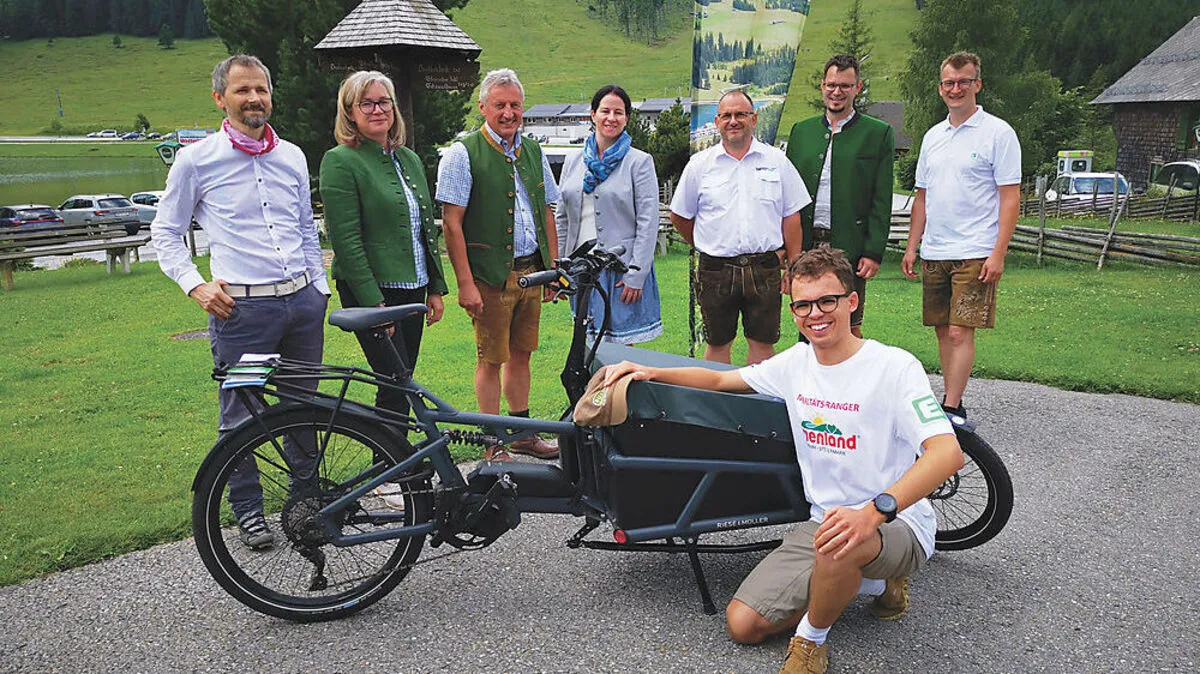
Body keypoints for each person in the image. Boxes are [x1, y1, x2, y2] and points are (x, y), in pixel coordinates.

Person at [602, 245, 964, 674]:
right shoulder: (796, 363)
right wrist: (650, 372)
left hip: (896, 522)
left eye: (827, 301)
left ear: (851, 301)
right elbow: (720, 380)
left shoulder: (894, 368)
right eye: (803, 305)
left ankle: (811, 643)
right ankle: (869, 582)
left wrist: (872, 513)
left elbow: (947, 453)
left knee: (843, 540)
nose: (815, 314)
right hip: (825, 521)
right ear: (793, 311)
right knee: (743, 624)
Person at [151, 54, 330, 550]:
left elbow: (304, 228)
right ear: (220, 99)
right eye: (242, 90)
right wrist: (195, 285)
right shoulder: (197, 161)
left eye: (261, 90)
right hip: (243, 312)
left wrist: (319, 288)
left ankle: (305, 505)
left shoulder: (292, 156)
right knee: (240, 417)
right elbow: (164, 232)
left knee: (303, 409)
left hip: (301, 306)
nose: (254, 99)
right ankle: (249, 512)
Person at [436, 68, 561, 462]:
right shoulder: (463, 153)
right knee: (490, 359)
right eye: (500, 105)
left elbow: (547, 213)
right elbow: (452, 224)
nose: (508, 113)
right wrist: (465, 283)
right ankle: (492, 443)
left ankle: (522, 433)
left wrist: (553, 269)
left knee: (522, 354)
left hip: (531, 272)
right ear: (483, 107)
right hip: (491, 276)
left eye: (515, 105)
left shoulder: (534, 151)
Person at [901, 51, 1021, 419]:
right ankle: (952, 397)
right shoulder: (932, 137)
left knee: (959, 331)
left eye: (963, 82)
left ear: (977, 84)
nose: (956, 89)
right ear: (941, 88)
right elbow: (922, 197)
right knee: (942, 330)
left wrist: (998, 253)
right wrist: (912, 246)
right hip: (936, 249)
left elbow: (1010, 198)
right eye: (949, 83)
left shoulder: (998, 133)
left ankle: (952, 406)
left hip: (975, 250)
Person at [319, 71, 446, 414]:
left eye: (384, 102)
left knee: (403, 381)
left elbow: (424, 228)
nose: (378, 110)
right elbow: (346, 241)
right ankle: (388, 448)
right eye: (367, 103)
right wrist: (374, 305)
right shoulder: (340, 160)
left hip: (413, 288)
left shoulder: (408, 159)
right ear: (349, 111)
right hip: (373, 292)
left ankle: (394, 447)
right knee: (394, 385)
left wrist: (435, 287)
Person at [669, 89, 809, 365]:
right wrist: (705, 243)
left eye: (741, 115)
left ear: (754, 119)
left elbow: (792, 216)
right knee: (717, 344)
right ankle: (719, 395)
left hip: (764, 268)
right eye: (726, 116)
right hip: (715, 269)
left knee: (763, 345)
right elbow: (679, 216)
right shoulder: (699, 165)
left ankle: (756, 395)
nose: (733, 121)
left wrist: (794, 266)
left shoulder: (776, 161)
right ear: (717, 122)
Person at [786, 54, 894, 338]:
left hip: (850, 244)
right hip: (806, 242)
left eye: (845, 86)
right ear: (822, 86)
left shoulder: (877, 133)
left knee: (848, 321)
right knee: (808, 318)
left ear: (857, 88)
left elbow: (881, 198)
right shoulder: (802, 131)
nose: (837, 92)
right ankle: (809, 368)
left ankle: (850, 369)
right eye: (832, 85)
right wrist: (786, 248)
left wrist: (873, 251)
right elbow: (786, 196)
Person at [556, 84, 663, 345]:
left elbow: (648, 222)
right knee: (584, 344)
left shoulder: (639, 162)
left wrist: (636, 274)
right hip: (581, 268)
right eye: (605, 111)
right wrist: (560, 267)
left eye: (619, 112)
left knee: (621, 351)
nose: (611, 118)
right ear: (593, 114)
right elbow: (562, 218)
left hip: (621, 271)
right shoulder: (573, 161)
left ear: (626, 118)